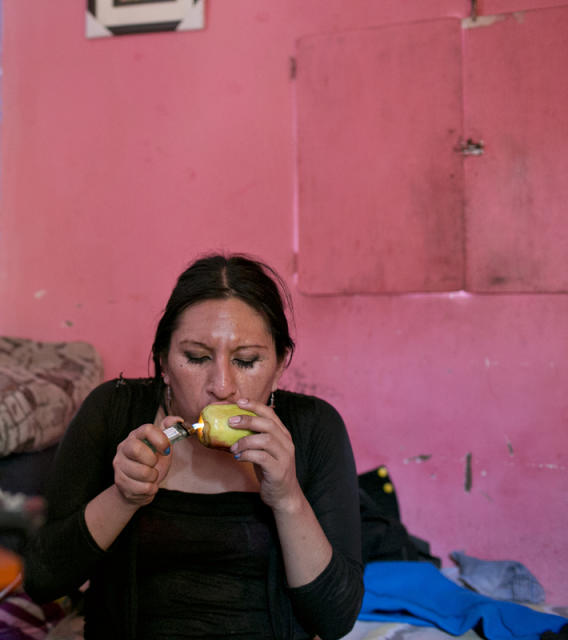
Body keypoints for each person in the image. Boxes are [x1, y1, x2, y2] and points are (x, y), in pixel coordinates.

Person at [23, 253, 364, 640]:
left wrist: (287, 498)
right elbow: (42, 580)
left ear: (280, 365)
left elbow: (335, 620)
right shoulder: (113, 412)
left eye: (247, 361)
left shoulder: (313, 428)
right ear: (164, 363)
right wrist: (124, 496)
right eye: (196, 357)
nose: (221, 385)